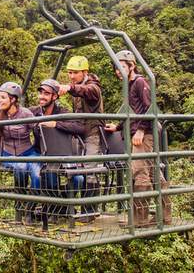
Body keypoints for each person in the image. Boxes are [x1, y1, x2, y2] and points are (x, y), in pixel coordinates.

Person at [104, 50, 171, 226]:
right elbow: (133, 112)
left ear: (131, 66)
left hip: (145, 134)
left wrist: (141, 130)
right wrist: (118, 127)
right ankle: (165, 216)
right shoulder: (129, 85)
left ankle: (140, 219)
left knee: (140, 172)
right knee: (154, 172)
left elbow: (150, 108)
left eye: (122, 67)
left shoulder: (140, 82)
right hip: (140, 132)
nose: (118, 71)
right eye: (116, 68)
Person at [58, 56, 104, 220]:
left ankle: (89, 211)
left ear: (85, 72)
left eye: (75, 73)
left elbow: (88, 92)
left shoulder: (93, 87)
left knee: (90, 169)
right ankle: (68, 208)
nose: (71, 76)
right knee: (77, 169)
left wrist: (70, 87)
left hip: (92, 133)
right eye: (69, 73)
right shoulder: (76, 89)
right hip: (80, 132)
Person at [0, 82, 41, 193]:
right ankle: (20, 199)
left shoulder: (25, 114)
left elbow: (38, 128)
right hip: (9, 154)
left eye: (3, 98)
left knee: (37, 174)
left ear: (13, 99)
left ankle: (31, 204)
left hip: (28, 152)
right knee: (21, 167)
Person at [30, 79, 85, 209]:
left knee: (79, 179)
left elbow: (79, 127)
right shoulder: (34, 111)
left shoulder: (62, 112)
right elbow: (18, 115)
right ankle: (46, 208)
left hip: (60, 154)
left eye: (46, 94)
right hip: (40, 153)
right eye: (41, 93)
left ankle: (62, 204)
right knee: (47, 174)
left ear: (54, 96)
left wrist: (56, 124)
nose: (42, 97)